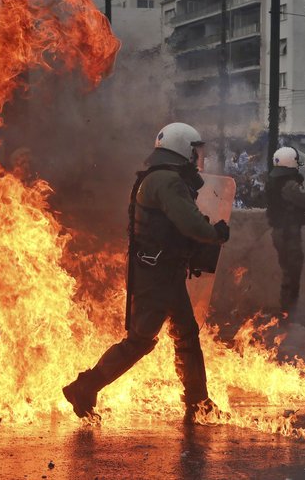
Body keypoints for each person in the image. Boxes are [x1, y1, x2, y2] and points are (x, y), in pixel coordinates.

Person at [63, 122, 230, 424]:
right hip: (158, 275)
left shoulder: (159, 177)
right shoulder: (168, 181)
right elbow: (190, 223)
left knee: (186, 335)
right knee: (140, 340)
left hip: (162, 271)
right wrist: (214, 233)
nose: (198, 157)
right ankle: (84, 387)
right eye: (194, 151)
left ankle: (198, 402)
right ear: (182, 149)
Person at [265, 147, 305, 317]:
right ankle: (289, 312)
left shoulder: (274, 182)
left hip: (280, 231)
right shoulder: (289, 185)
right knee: (292, 272)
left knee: (288, 271)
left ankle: (287, 310)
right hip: (288, 233)